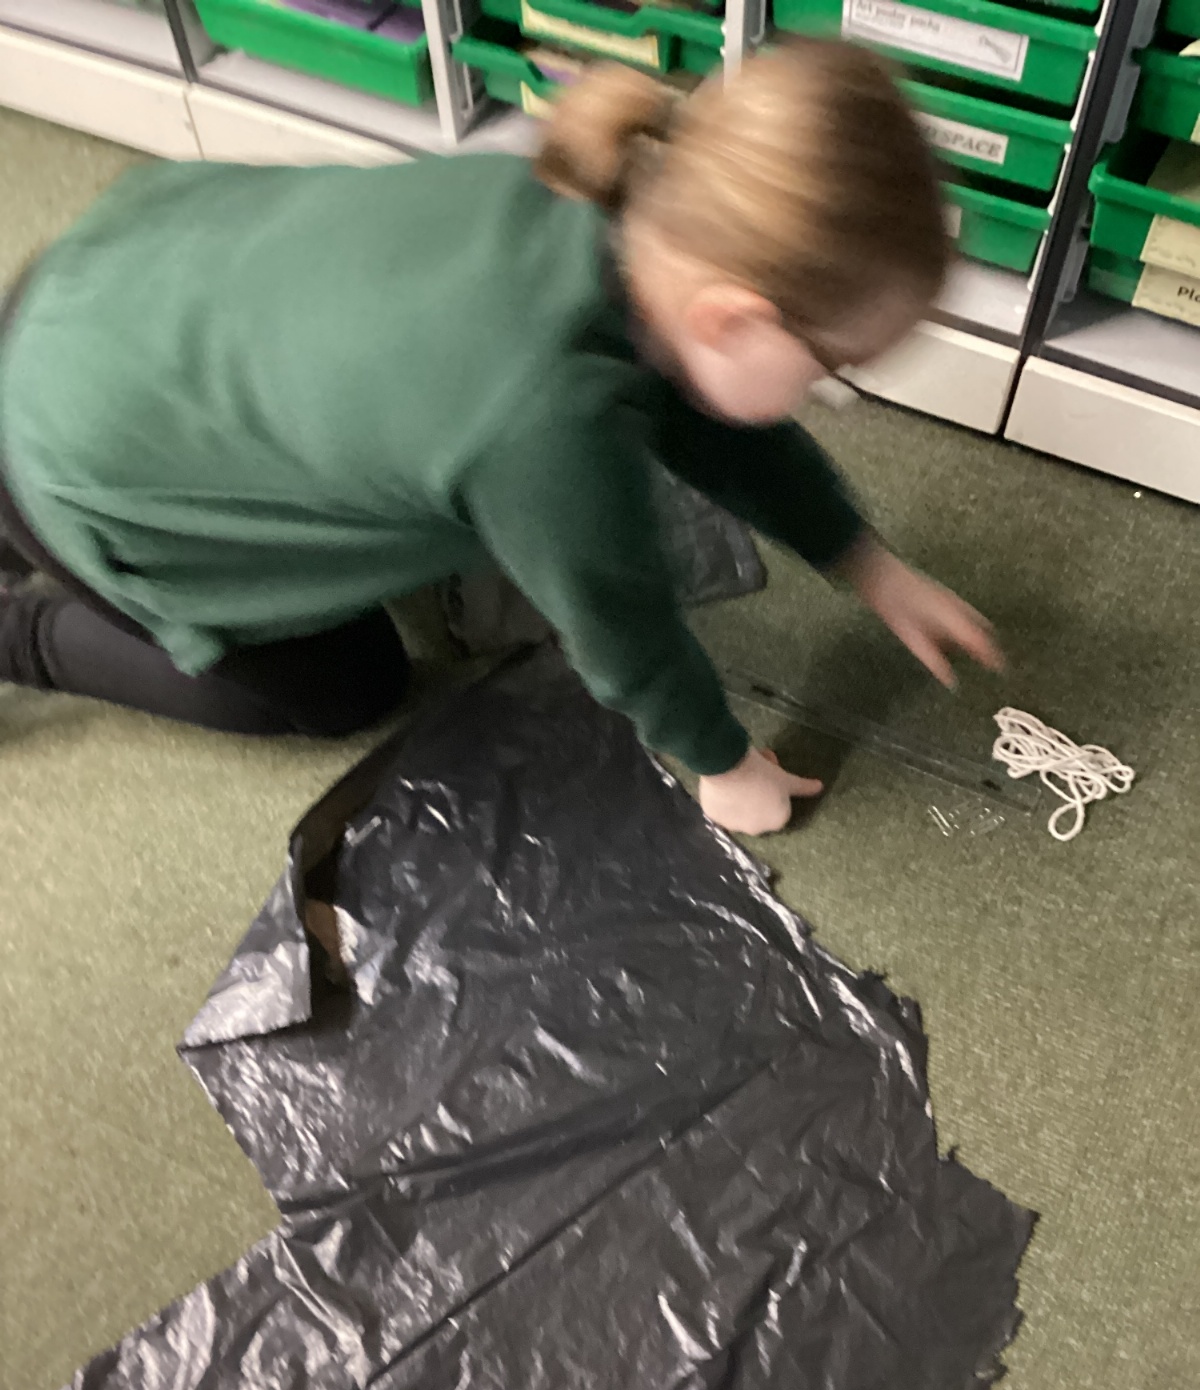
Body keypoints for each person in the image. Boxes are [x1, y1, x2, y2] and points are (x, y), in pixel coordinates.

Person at [0, 41, 1002, 836]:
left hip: (100, 289)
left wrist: (866, 562)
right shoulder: (552, 429)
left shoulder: (596, 199)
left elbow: (718, 423)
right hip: (85, 469)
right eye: (830, 373)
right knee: (348, 688)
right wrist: (725, 765)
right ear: (732, 319)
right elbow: (626, 635)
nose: (820, 394)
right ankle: (24, 635)